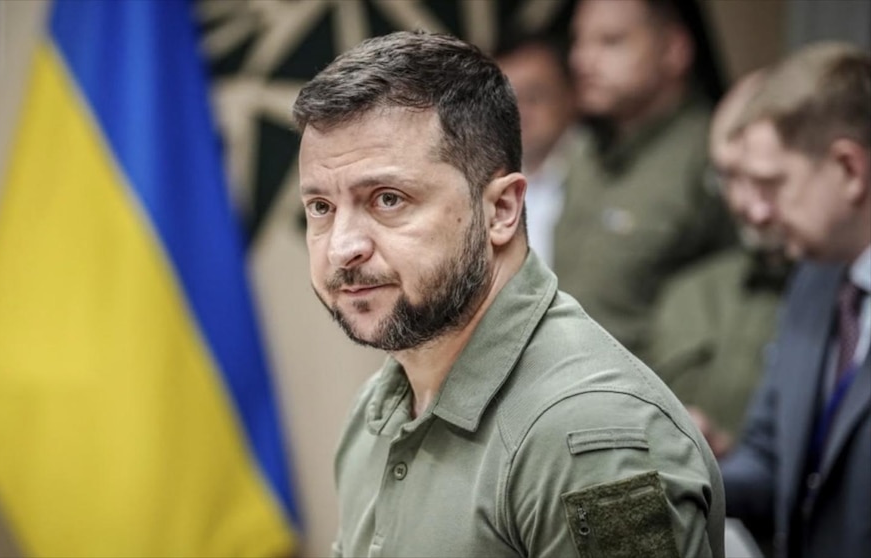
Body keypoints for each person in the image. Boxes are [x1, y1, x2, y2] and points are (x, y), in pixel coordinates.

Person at [292, 30, 725, 558]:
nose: (342, 248)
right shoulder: (377, 409)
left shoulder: (590, 432)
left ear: (501, 210)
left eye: (388, 199)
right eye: (320, 208)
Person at [720, 42, 871, 558]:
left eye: (772, 184)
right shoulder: (814, 279)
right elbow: (769, 460)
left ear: (849, 168)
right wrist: (676, 469)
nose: (757, 213)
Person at [554, 0, 736, 360]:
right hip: (568, 374)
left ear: (673, 50)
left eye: (611, 41)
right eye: (579, 41)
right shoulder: (583, 151)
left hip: (658, 383)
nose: (581, 60)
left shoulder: (716, 154)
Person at [647, 70, 793, 459]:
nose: (747, 203)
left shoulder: (846, 302)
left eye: (762, 179)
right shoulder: (688, 294)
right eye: (728, 176)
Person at [495, 28, 579, 267]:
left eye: (533, 97)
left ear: (571, 96)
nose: (519, 113)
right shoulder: (479, 185)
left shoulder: (605, 170)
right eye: (507, 101)